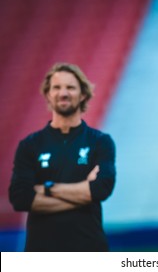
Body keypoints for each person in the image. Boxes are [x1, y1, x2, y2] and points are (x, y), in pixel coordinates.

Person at [9, 63, 116, 251]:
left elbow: (100, 190)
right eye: (57, 87)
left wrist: (46, 189)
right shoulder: (29, 145)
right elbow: (21, 198)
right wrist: (83, 194)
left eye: (70, 87)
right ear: (48, 94)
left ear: (83, 94)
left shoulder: (100, 141)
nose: (63, 93)